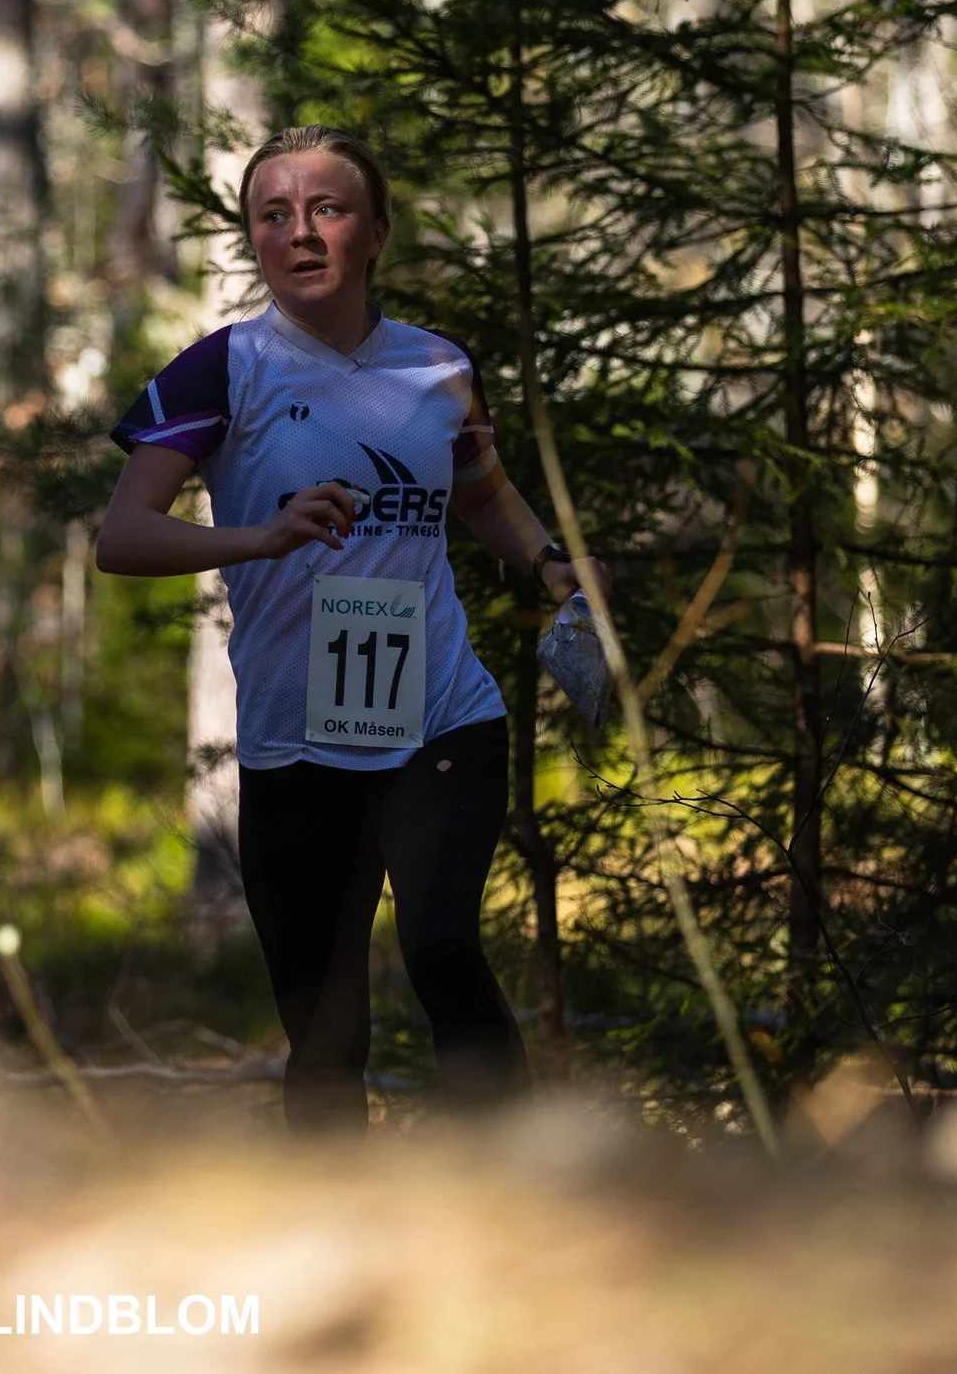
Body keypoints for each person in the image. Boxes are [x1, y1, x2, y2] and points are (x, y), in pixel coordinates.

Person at [94, 125, 609, 1133]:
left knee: (441, 946)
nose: (300, 233)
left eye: (326, 209)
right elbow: (122, 536)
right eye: (272, 216)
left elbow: (479, 491)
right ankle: (337, 1227)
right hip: (295, 740)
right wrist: (258, 537)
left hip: (440, 718)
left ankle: (505, 1189)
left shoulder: (437, 367)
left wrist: (551, 562)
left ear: (374, 230)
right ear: (252, 240)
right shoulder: (221, 369)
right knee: (323, 1028)